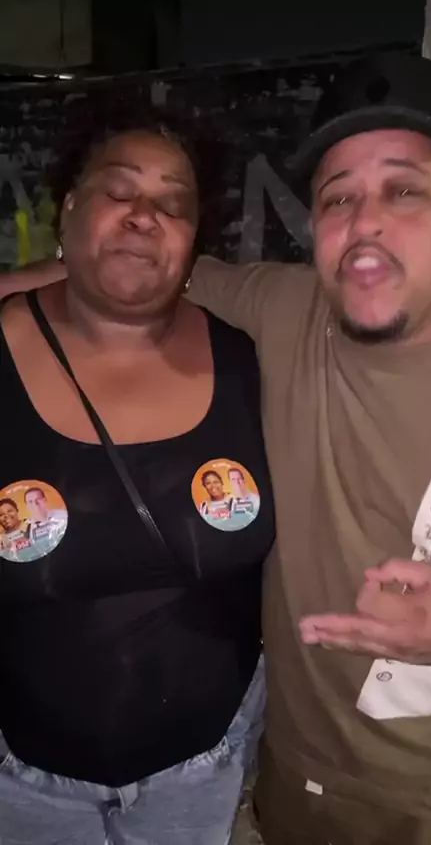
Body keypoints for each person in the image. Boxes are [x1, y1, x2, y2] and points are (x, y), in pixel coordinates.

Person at [8, 52, 431, 844]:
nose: (366, 223)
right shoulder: (281, 312)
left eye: (404, 191)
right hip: (278, 791)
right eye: (338, 197)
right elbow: (134, 271)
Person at [0, 113, 275, 845]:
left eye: (173, 202)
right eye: (118, 191)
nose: (144, 215)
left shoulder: (248, 360)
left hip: (207, 771)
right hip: (23, 781)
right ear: (69, 208)